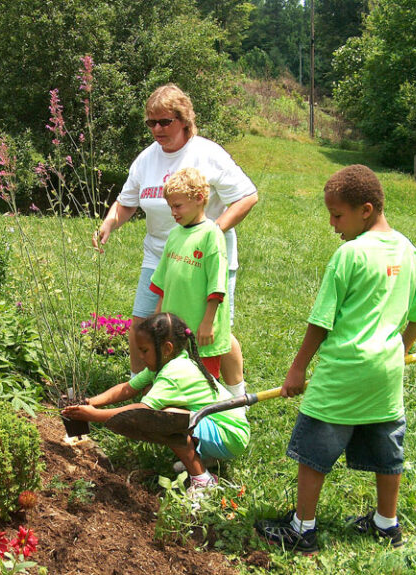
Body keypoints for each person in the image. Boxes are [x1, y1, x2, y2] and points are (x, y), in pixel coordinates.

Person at [254, 165, 416, 554]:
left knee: (314, 452)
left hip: (343, 372)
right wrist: (402, 346)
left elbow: (321, 321)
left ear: (366, 210)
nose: (332, 224)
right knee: (387, 446)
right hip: (386, 374)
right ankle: (386, 524)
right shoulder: (407, 249)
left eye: (338, 215)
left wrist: (298, 368)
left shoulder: (349, 254)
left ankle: (302, 528)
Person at [93, 83, 257, 396]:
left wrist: (210, 232)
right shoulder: (146, 159)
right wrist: (110, 222)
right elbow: (127, 202)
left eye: (164, 121)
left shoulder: (207, 154)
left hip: (205, 263)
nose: (157, 128)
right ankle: (144, 392)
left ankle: (236, 397)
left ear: (183, 120)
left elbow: (248, 196)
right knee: (143, 327)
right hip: (160, 258)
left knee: (216, 335)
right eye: (151, 122)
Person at [62, 312, 250, 497]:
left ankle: (203, 481)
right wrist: (90, 402)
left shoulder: (173, 374)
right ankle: (204, 458)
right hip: (225, 428)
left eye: (144, 350)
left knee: (166, 419)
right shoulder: (170, 361)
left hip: (230, 435)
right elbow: (127, 389)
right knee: (171, 415)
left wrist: (93, 415)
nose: (141, 356)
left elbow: (142, 412)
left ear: (166, 348)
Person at [150, 167, 230, 380]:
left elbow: (217, 285)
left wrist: (207, 323)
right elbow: (162, 283)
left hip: (201, 332)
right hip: (173, 331)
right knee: (175, 379)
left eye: (177, 206)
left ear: (199, 199)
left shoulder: (211, 235)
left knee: (203, 385)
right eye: (170, 207)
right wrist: (157, 318)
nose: (173, 212)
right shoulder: (175, 234)